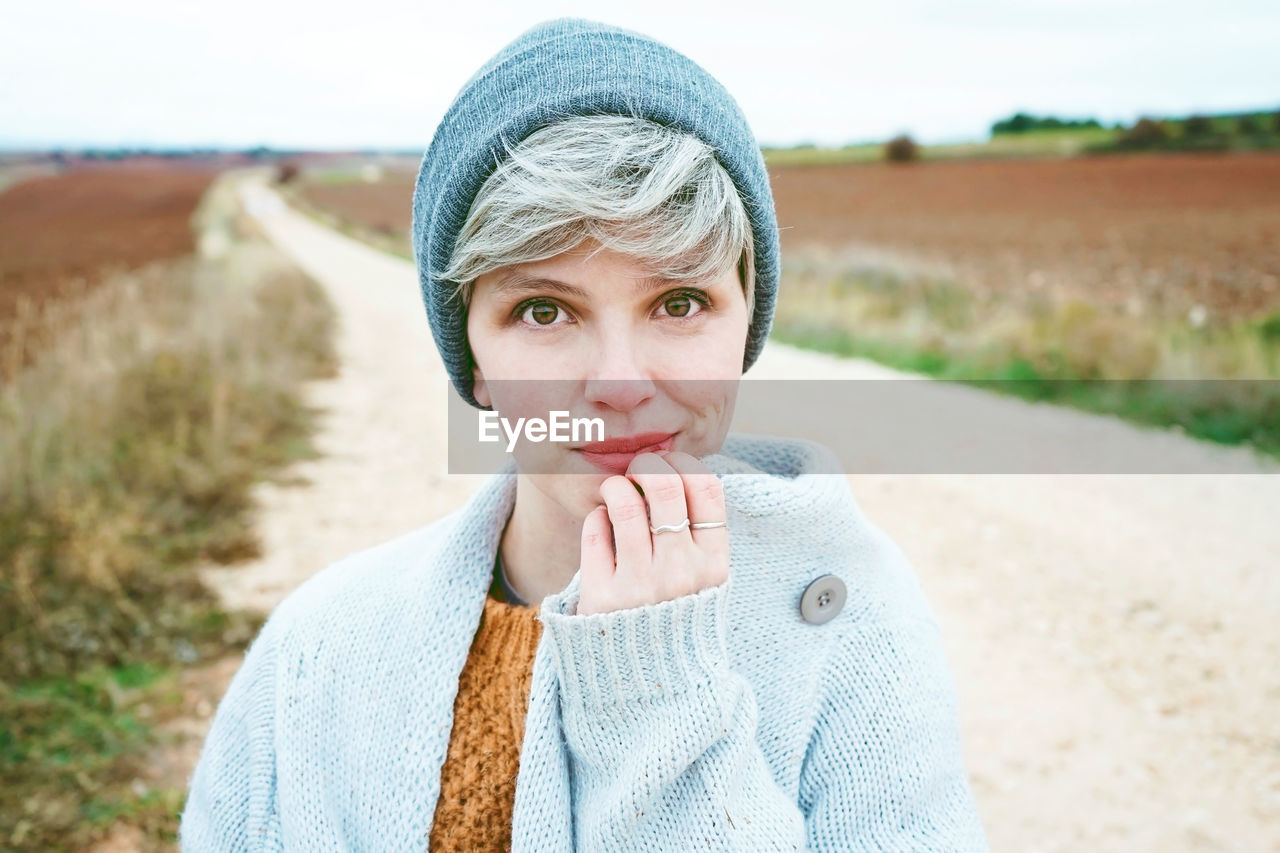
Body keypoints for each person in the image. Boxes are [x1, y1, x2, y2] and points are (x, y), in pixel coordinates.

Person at [180, 17, 990, 851]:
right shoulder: (316, 654)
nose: (620, 383)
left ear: (745, 325)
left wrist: (657, 687)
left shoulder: (855, 620)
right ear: (476, 360)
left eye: (679, 303)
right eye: (543, 310)